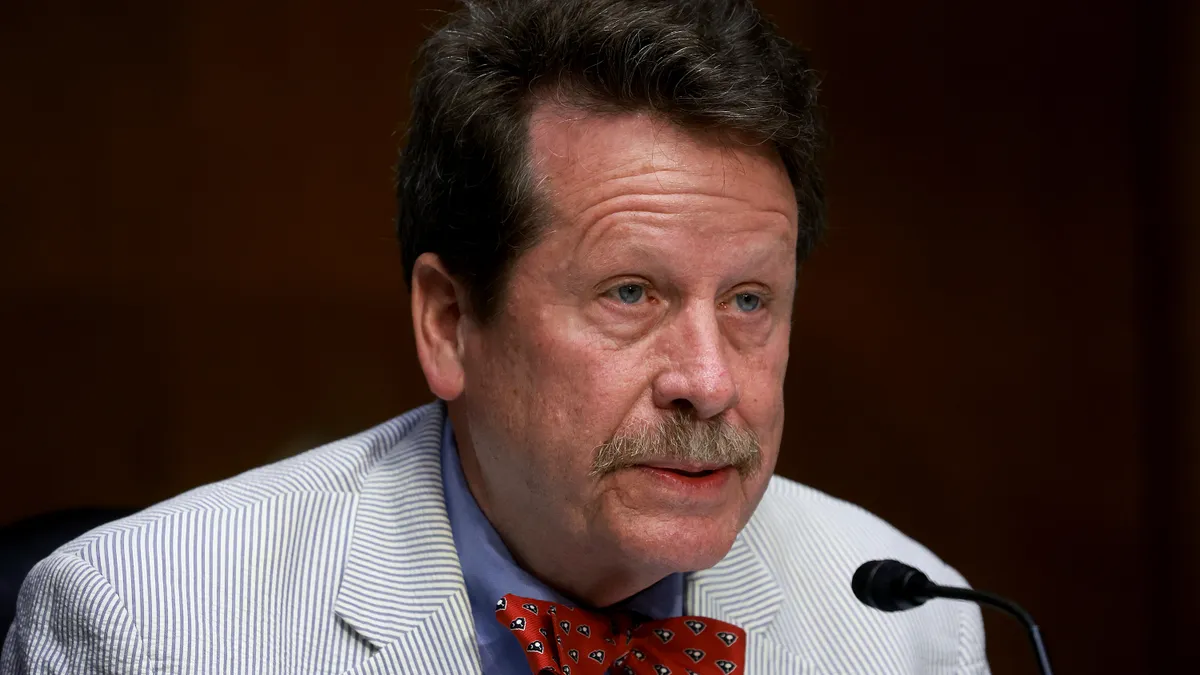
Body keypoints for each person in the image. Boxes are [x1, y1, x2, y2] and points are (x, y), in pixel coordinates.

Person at [2, 0, 990, 673]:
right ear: (449, 323)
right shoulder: (150, 624)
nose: (707, 381)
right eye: (631, 293)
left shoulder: (904, 629)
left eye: (747, 302)